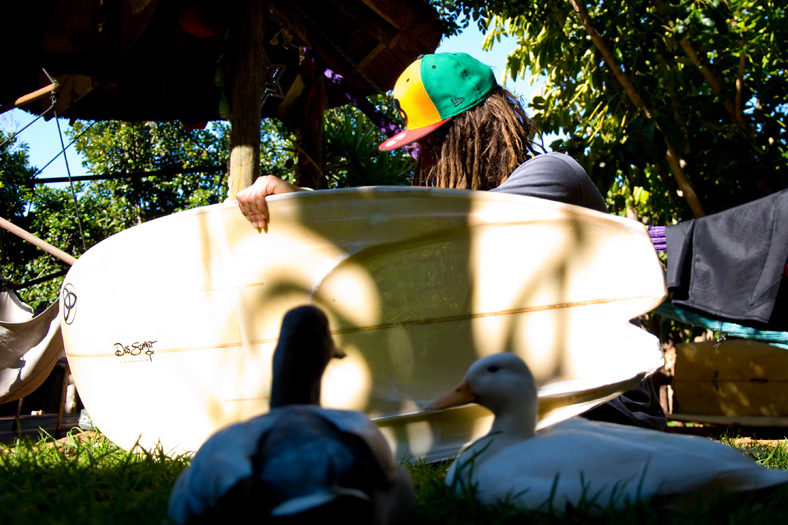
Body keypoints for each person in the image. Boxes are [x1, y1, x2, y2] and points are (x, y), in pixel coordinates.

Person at [236, 52, 666, 430]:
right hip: (539, 410)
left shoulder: (553, 175)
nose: (423, 158)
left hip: (608, 407)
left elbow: (436, 232)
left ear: (471, 127)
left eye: (430, 143)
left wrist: (307, 205)